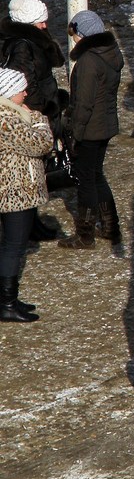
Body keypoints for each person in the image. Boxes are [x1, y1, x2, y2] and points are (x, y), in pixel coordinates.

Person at [0, 0, 66, 240]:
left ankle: (30, 222)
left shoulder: (29, 41)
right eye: (41, 22)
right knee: (30, 169)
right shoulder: (23, 46)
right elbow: (24, 82)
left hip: (41, 106)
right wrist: (40, 111)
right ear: (30, 23)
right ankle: (25, 223)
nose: (45, 26)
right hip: (33, 111)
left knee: (35, 169)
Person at [58, 11, 124, 250]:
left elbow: (83, 103)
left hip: (89, 129)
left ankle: (85, 235)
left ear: (83, 33)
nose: (74, 39)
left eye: (75, 34)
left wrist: (75, 133)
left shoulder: (88, 61)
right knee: (96, 175)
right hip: (105, 124)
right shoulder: (111, 53)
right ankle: (110, 226)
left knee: (86, 179)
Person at [0, 68, 53, 322]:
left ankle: (7, 299)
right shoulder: (7, 119)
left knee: (12, 246)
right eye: (21, 89)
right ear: (9, 93)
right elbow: (40, 144)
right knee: (13, 247)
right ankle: (7, 304)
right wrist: (41, 121)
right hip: (14, 192)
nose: (26, 92)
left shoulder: (12, 114)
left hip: (14, 189)